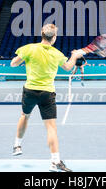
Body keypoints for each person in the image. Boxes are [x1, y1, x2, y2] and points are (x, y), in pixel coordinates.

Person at [10, 24, 82, 172]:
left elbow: (13, 64)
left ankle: (17, 145)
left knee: (25, 115)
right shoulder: (57, 54)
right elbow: (68, 67)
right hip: (47, 94)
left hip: (29, 91)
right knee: (51, 128)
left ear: (42, 35)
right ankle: (55, 161)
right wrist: (74, 56)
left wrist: (23, 59)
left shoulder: (29, 48)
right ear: (54, 37)